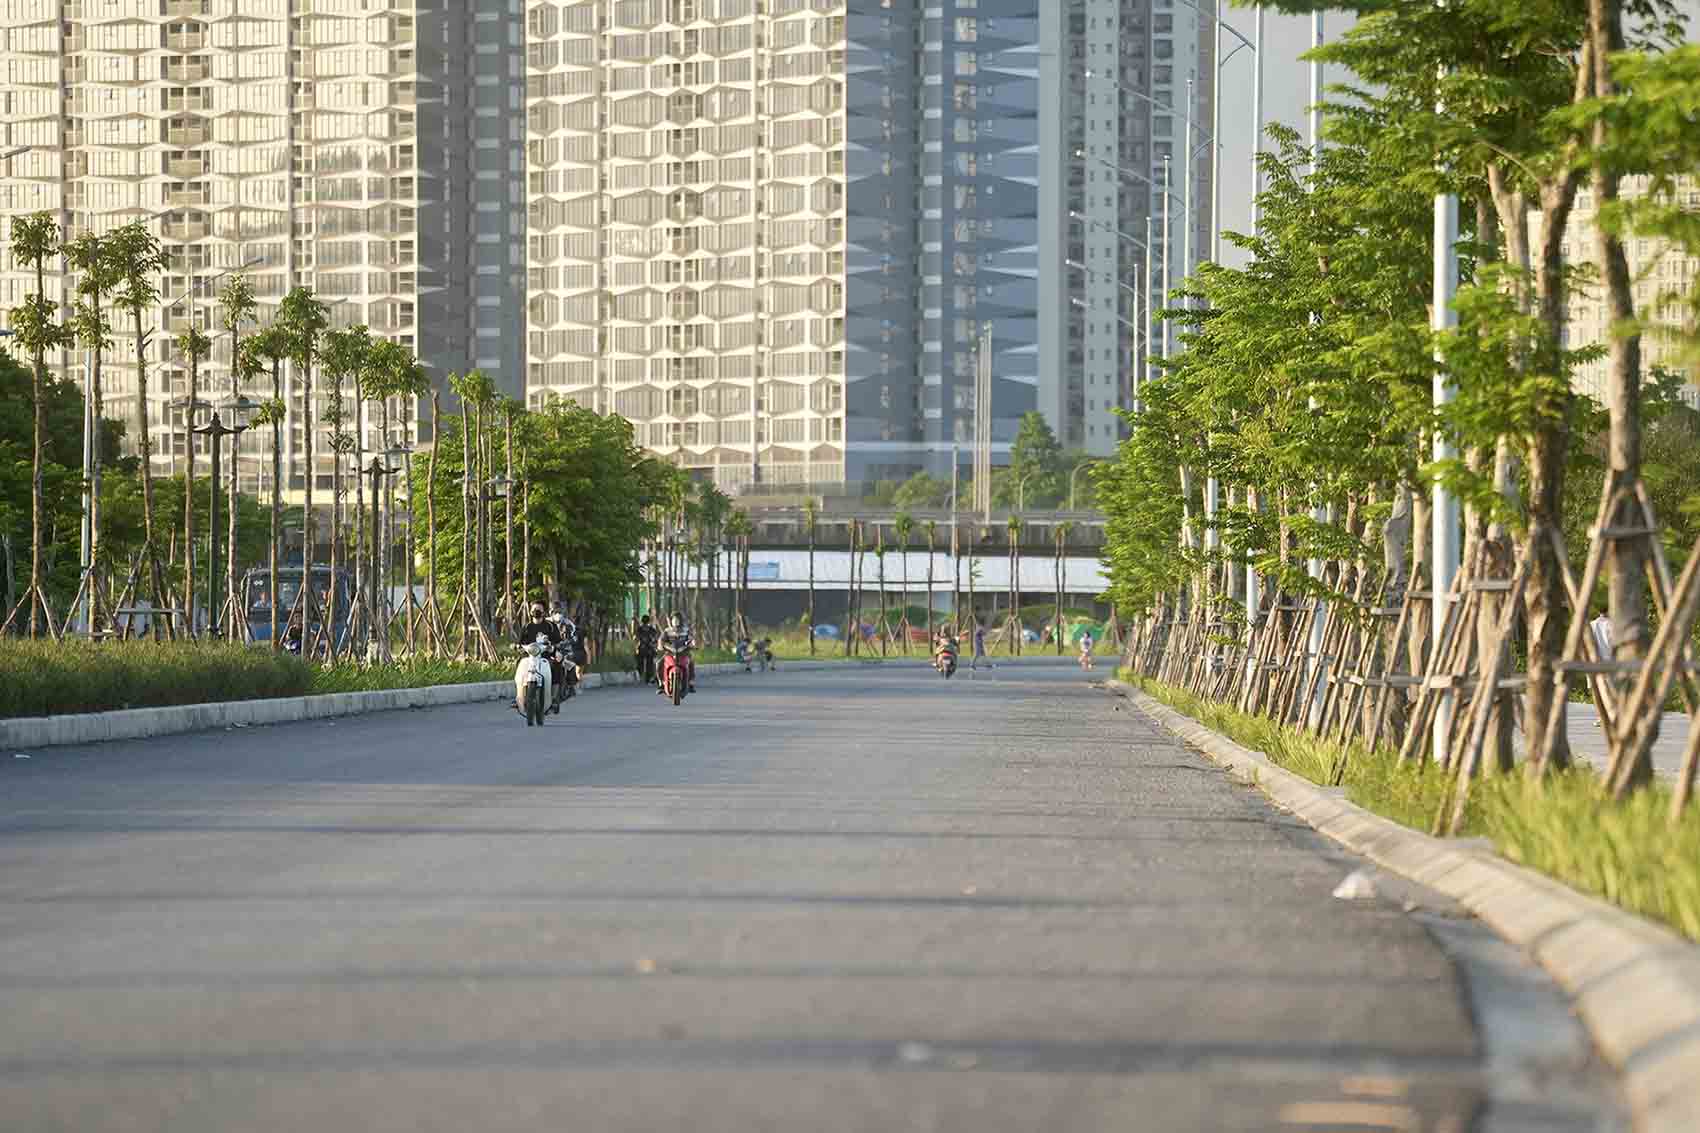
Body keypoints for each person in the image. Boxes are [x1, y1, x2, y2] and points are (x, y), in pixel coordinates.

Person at [514, 602, 566, 711]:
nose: (536, 611)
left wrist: (554, 648)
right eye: (534, 609)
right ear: (530, 612)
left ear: (543, 612)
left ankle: (555, 698)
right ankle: (519, 697)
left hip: (546, 657)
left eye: (539, 609)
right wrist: (516, 646)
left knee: (556, 667)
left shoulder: (550, 626)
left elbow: (558, 642)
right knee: (519, 667)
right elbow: (520, 643)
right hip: (529, 658)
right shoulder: (527, 627)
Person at [658, 612, 697, 694]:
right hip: (670, 653)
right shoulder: (667, 631)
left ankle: (690, 684)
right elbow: (661, 640)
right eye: (673, 619)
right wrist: (660, 646)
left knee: (691, 663)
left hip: (684, 653)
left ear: (681, 620)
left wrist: (693, 644)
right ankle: (661, 684)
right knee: (658, 664)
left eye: (677, 619)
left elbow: (691, 639)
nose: (675, 621)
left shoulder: (686, 630)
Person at [634, 614, 660, 684]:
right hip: (646, 649)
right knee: (647, 664)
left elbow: (636, 639)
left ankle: (645, 677)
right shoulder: (651, 629)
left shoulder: (640, 629)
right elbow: (655, 639)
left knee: (646, 663)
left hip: (645, 649)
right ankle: (646, 677)